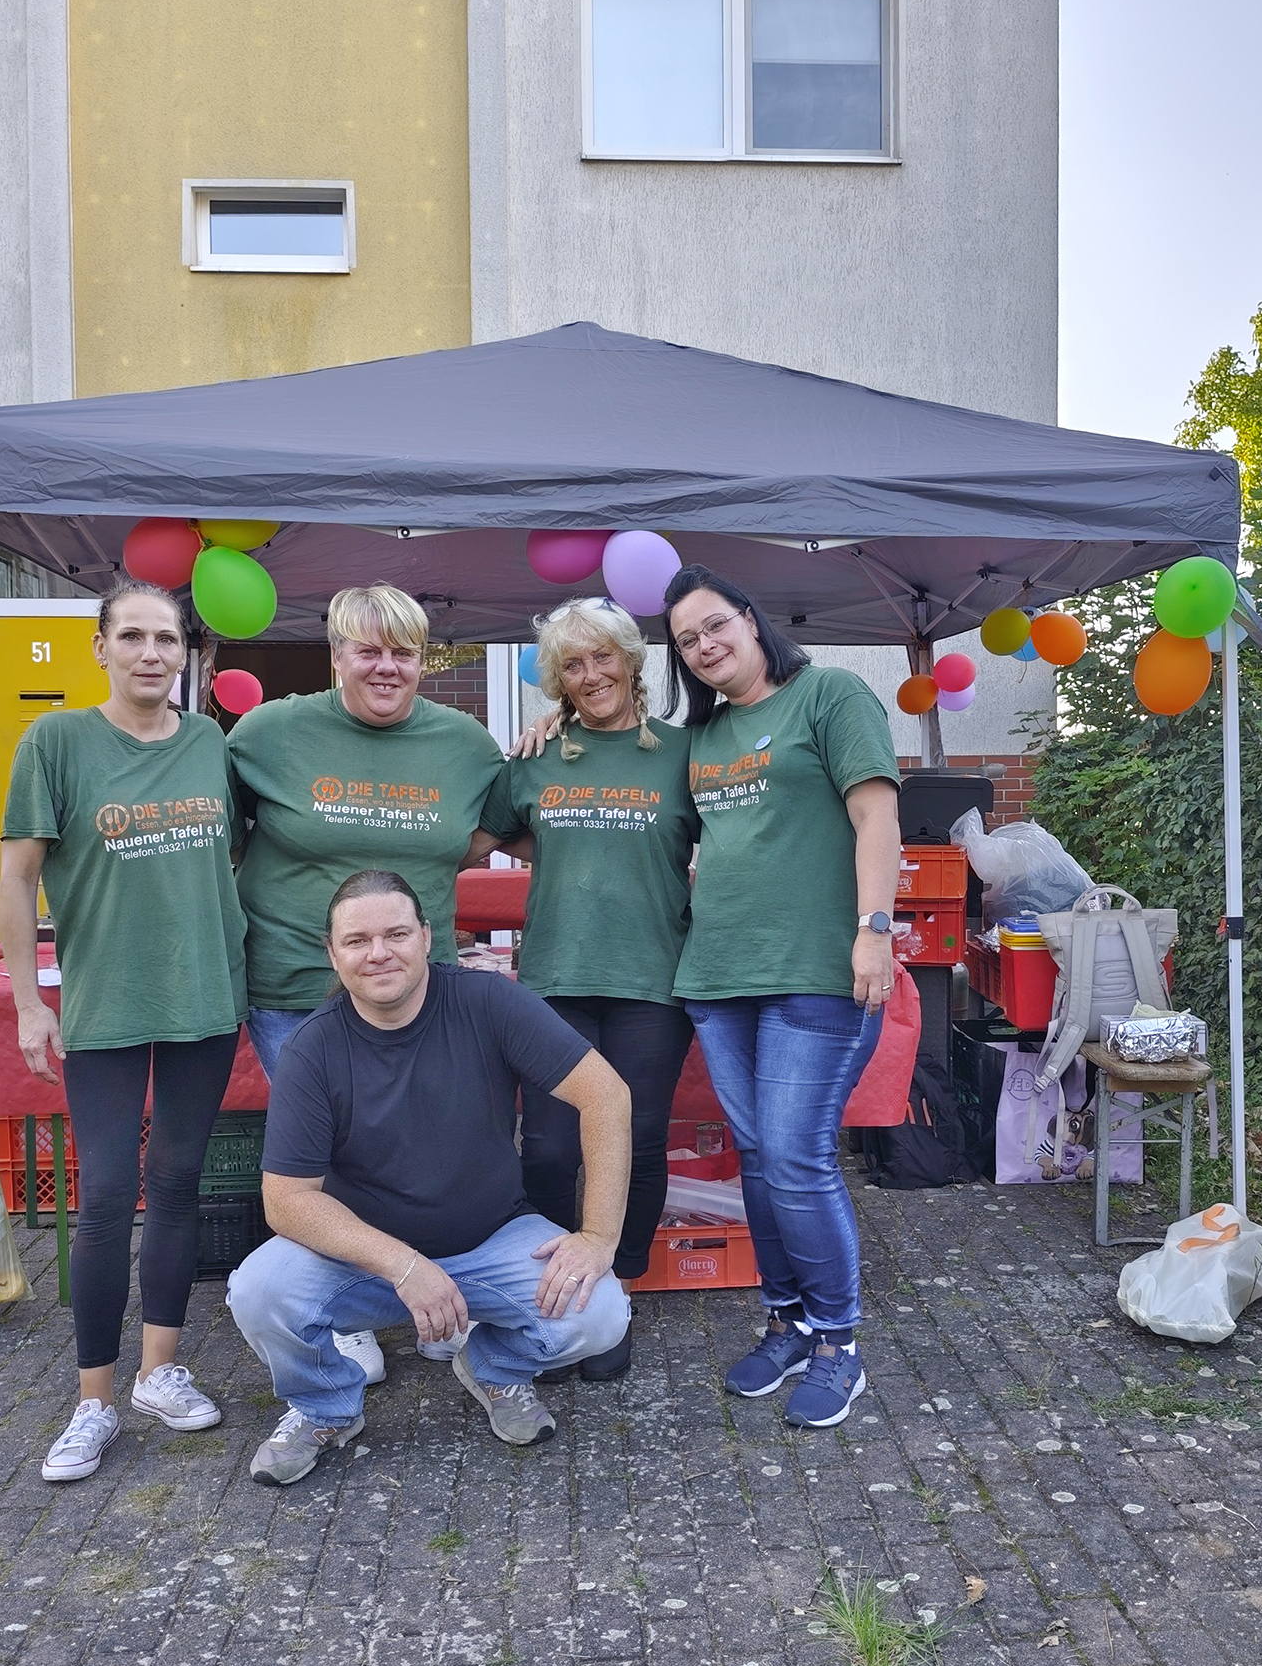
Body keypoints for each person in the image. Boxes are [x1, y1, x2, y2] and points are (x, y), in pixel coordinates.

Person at [226, 870, 633, 1485]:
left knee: (599, 1314)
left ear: (427, 936)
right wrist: (405, 1267)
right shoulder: (314, 1049)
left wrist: (599, 1235)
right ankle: (324, 1408)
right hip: (364, 1261)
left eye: (396, 933)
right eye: (357, 941)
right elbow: (286, 1201)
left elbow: (606, 1094)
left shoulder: (487, 1002)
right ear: (331, 954)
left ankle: (493, 1369)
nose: (379, 953)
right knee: (257, 1290)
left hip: (488, 1237)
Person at [225, 583, 508, 1384]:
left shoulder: (466, 744)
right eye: (369, 649)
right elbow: (225, 834)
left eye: (405, 652)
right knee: (328, 1160)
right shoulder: (269, 733)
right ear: (337, 654)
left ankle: (434, 1295)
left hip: (424, 992)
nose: (387, 666)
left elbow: (488, 829)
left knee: (431, 1145)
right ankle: (342, 1316)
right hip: (297, 983)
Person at [0, 579, 246, 1483]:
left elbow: (237, 858)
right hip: (104, 1005)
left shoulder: (211, 745)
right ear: (100, 648)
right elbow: (19, 878)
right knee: (104, 1199)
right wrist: (30, 1001)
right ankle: (93, 1400)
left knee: (177, 1185)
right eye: (132, 636)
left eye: (167, 639)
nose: (151, 653)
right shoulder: (56, 742)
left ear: (188, 654)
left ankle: (159, 1371)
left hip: (204, 999)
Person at [662, 564, 902, 1429]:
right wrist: (558, 724)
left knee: (798, 1159)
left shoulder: (830, 696)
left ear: (753, 619)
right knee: (760, 1159)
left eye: (716, 625)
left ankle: (840, 1343)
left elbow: (877, 815)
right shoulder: (705, 739)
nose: (705, 646)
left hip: (818, 972)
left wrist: (875, 927)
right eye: (687, 641)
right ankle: (789, 1321)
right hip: (720, 978)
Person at [482, 598, 698, 1382]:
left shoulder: (682, 753)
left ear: (631, 662)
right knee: (544, 1148)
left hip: (651, 980)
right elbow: (487, 831)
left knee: (636, 1144)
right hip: (553, 978)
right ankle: (547, 1293)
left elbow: (737, 838)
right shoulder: (540, 754)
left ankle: (616, 1293)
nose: (591, 674)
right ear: (557, 681)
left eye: (603, 658)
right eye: (572, 664)